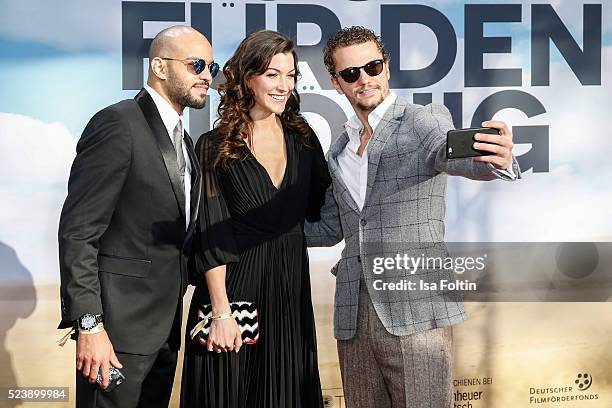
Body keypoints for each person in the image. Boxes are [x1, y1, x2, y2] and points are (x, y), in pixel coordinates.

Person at [305, 26, 521, 408]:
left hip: (416, 306)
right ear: (337, 83)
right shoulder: (339, 150)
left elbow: (452, 153)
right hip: (354, 314)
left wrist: (495, 160)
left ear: (386, 67)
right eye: (351, 73)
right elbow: (329, 227)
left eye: (372, 67)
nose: (365, 79)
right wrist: (259, 230)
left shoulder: (423, 120)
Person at [57, 25, 216, 407]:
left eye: (212, 67)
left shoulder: (185, 141)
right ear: (159, 67)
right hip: (116, 334)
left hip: (164, 332)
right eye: (197, 65)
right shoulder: (117, 123)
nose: (207, 76)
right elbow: (79, 232)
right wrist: (89, 325)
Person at [180, 30, 329, 408]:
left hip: (289, 293)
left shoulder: (304, 139)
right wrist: (221, 312)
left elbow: (325, 206)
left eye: (291, 75)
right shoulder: (215, 145)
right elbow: (210, 233)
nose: (284, 85)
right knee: (229, 393)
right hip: (233, 294)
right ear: (248, 78)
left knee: (286, 392)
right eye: (272, 74)